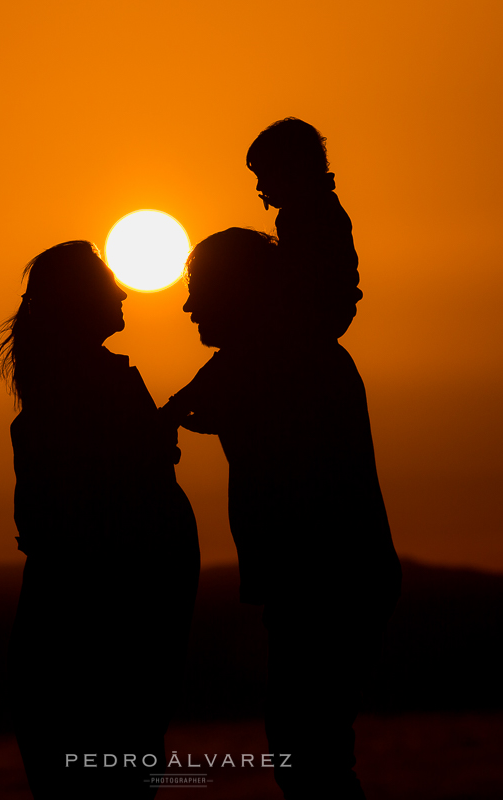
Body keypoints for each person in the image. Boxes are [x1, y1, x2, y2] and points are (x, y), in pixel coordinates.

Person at [163, 228, 400, 800]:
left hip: (323, 586)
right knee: (312, 753)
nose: (188, 305)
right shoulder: (281, 354)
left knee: (307, 756)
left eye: (198, 289)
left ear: (236, 291)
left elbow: (188, 406)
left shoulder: (275, 362)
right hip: (332, 584)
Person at [0, 241, 200, 799]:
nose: (124, 289)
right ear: (80, 302)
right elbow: (91, 534)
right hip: (98, 654)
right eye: (108, 279)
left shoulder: (80, 392)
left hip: (85, 647)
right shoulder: (84, 398)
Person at [247, 117, 362, 341]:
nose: (260, 187)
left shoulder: (309, 213)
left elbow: (301, 279)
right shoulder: (317, 207)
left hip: (317, 319)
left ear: (289, 170)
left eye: (264, 176)